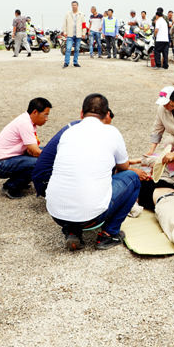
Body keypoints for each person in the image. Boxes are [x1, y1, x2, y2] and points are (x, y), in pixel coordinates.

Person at [46, 94, 141, 251]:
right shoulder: (112, 132)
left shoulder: (68, 132)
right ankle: (109, 234)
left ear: (81, 113)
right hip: (92, 217)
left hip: (56, 214)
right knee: (133, 178)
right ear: (107, 115)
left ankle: (72, 231)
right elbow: (123, 167)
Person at [0, 97, 52, 199]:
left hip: (9, 159)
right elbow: (36, 151)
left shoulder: (27, 120)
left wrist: (35, 151)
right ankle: (11, 186)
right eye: (45, 115)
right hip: (1, 164)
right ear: (35, 112)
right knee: (39, 161)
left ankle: (22, 181)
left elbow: (34, 149)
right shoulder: (25, 124)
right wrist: (54, 158)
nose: (46, 119)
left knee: (44, 151)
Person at [147, 86, 174, 155]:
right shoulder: (161, 109)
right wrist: (151, 150)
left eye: (166, 103)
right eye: (163, 103)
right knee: (169, 141)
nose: (164, 105)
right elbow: (157, 129)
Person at [62, 1, 86, 69]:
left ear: (77, 6)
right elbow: (65, 23)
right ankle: (66, 62)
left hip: (78, 34)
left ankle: (75, 62)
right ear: (71, 6)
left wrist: (83, 33)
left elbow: (84, 24)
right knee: (68, 49)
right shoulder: (68, 14)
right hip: (70, 34)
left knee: (77, 49)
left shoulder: (81, 14)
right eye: (73, 5)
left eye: (75, 5)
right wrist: (64, 32)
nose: (74, 6)